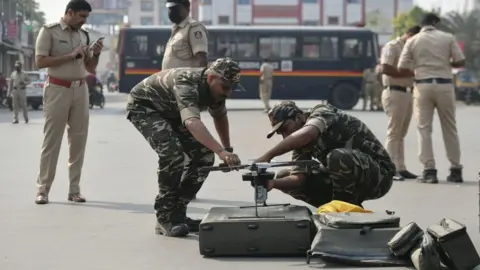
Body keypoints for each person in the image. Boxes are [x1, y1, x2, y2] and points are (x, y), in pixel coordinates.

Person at [126, 58, 243, 237]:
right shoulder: (187, 83)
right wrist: (220, 151)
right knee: (172, 155)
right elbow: (191, 122)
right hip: (146, 108)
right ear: (211, 78)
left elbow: (220, 117)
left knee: (204, 157)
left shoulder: (217, 91)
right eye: (226, 87)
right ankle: (164, 218)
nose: (228, 93)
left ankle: (178, 215)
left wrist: (227, 150)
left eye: (231, 88)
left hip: (172, 112)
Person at [254, 101, 395, 207]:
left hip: (379, 176)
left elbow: (308, 133)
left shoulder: (322, 111)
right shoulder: (300, 142)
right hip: (347, 177)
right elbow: (298, 179)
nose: (286, 136)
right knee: (284, 175)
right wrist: (272, 183)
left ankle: (342, 210)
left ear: (298, 117)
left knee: (337, 157)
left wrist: (268, 155)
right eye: (281, 133)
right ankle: (343, 207)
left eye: (285, 128)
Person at [34, 0, 103, 204]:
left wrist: (96, 53)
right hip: (57, 88)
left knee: (78, 141)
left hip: (80, 90)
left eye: (86, 17)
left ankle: (74, 189)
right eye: (81, 16)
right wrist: (70, 55)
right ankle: (43, 190)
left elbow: (90, 68)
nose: (84, 21)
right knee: (52, 141)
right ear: (69, 13)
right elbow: (40, 61)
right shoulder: (49, 32)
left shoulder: (84, 35)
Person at [398, 13, 464, 184]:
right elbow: (460, 61)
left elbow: (401, 66)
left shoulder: (413, 40)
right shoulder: (447, 37)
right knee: (450, 127)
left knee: (424, 128)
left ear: (421, 24)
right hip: (444, 85)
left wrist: (420, 67)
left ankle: (429, 170)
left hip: (422, 85)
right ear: (435, 23)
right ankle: (455, 169)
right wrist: (444, 64)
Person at [378, 25, 421, 181]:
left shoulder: (411, 49)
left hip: (407, 92)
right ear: (409, 34)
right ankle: (388, 169)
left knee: (401, 134)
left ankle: (400, 167)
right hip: (394, 91)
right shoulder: (393, 46)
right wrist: (410, 73)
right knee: (394, 132)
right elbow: (385, 68)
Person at [162, 0, 208, 69]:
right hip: (171, 79)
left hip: (184, 79)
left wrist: (198, 78)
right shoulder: (176, 30)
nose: (171, 12)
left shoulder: (193, 28)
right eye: (170, 9)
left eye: (175, 9)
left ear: (187, 8)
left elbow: (201, 59)